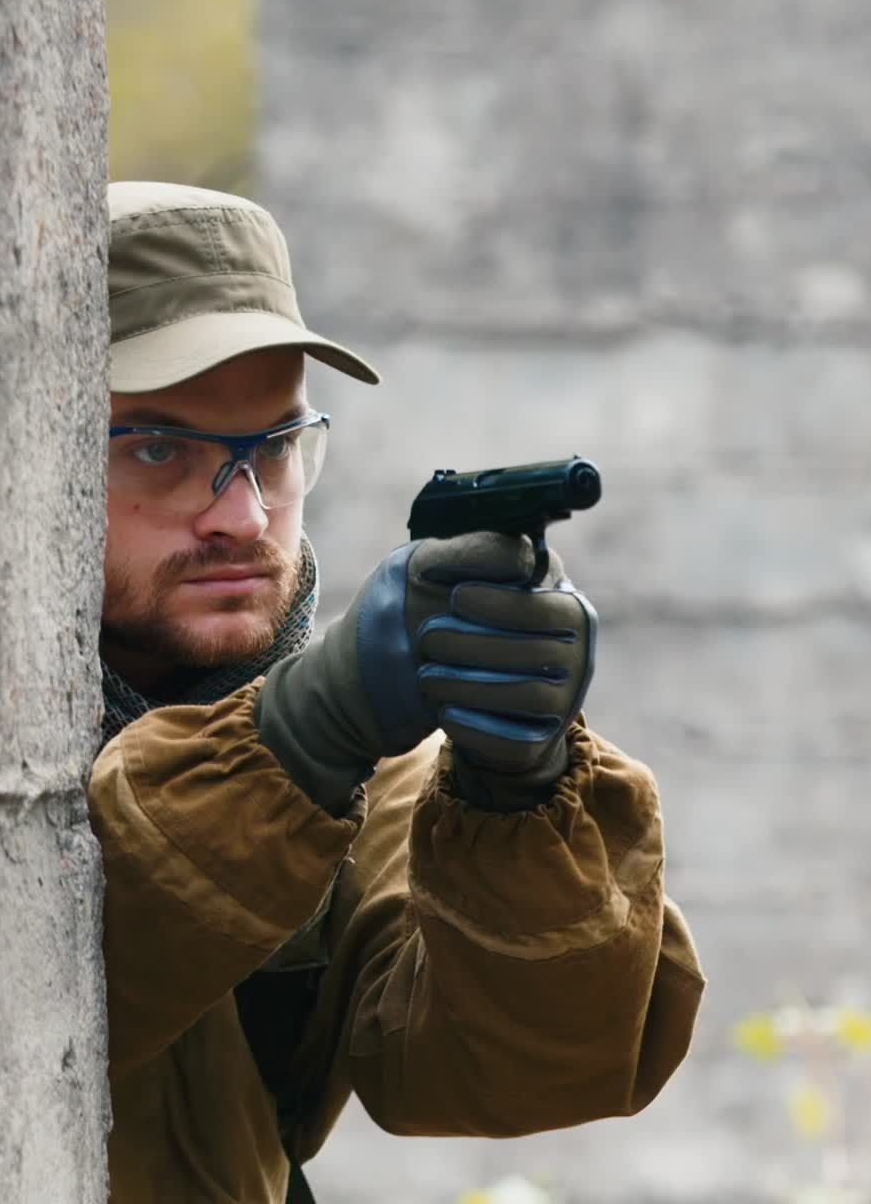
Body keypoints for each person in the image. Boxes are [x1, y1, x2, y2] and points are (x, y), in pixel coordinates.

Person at [90, 181, 705, 1204]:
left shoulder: (354, 756)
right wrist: (299, 730)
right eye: (159, 449)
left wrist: (516, 796)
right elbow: (10, 992)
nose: (240, 516)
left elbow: (514, 1073)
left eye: (274, 448)